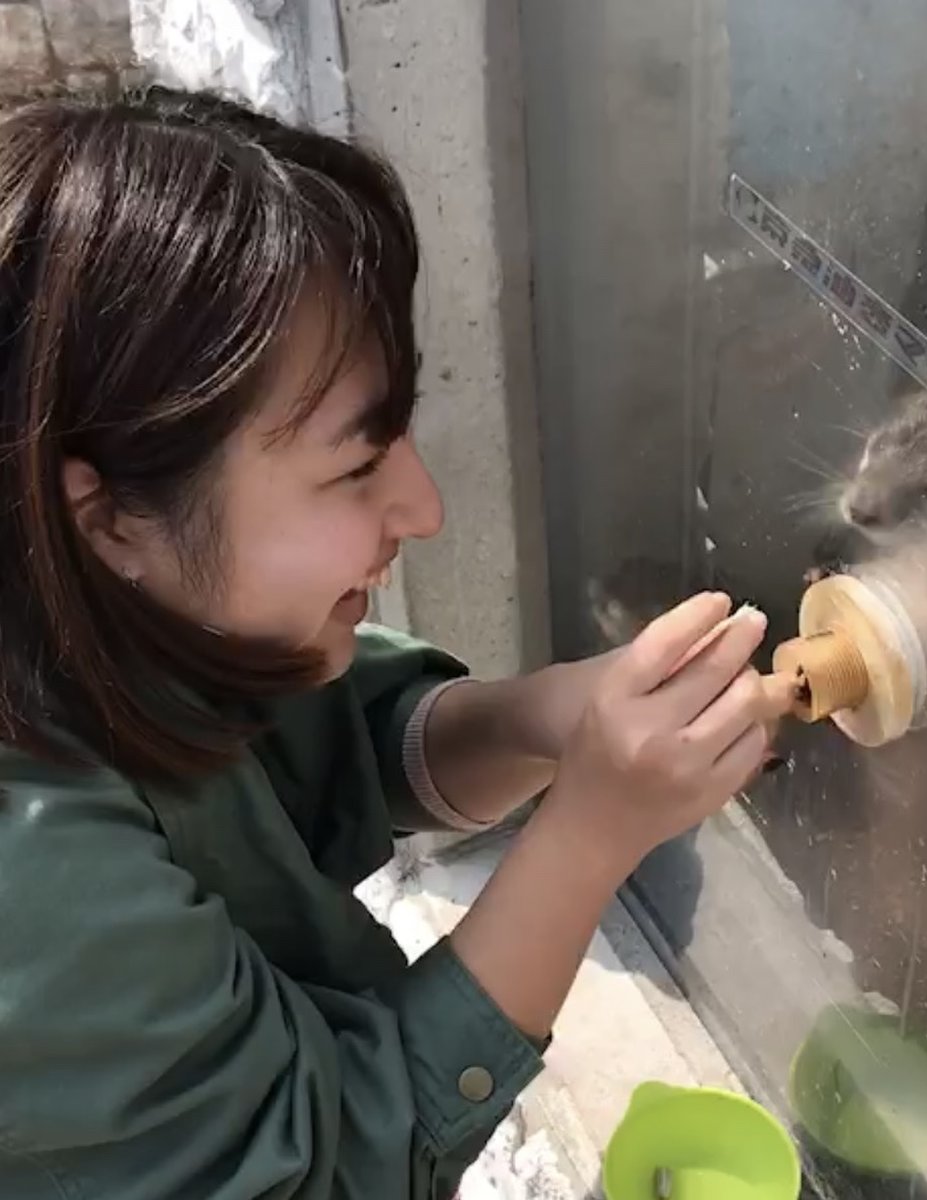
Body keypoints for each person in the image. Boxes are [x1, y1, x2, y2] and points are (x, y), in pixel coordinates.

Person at [0, 87, 789, 1200]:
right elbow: (327, 1172)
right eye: (355, 466)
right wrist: (589, 836)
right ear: (114, 515)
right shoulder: (28, 874)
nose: (423, 509)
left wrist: (543, 718)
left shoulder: (92, 591)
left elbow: (329, 742)